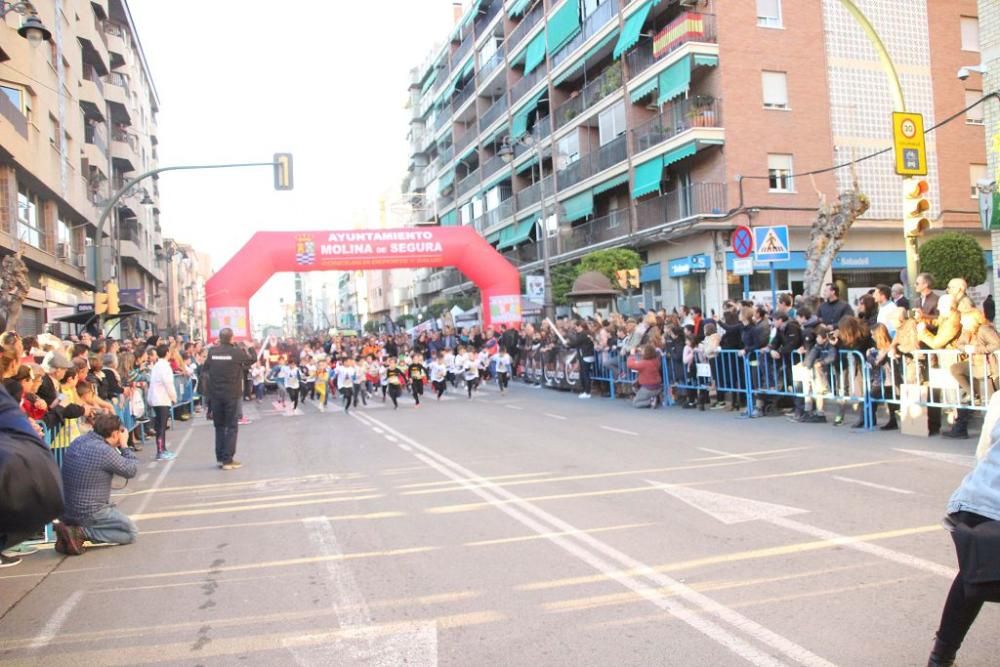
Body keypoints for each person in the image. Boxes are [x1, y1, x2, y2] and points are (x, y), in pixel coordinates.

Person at [927, 420, 1000, 666]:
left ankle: (941, 657)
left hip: (975, 497)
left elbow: (984, 447)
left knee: (973, 574)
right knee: (978, 572)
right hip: (990, 507)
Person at [54, 413, 138, 555]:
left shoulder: (78, 441)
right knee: (131, 533)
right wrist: (124, 445)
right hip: (91, 511)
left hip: (67, 510)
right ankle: (81, 532)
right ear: (115, 433)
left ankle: (72, 533)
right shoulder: (104, 451)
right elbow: (131, 470)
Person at [203, 328, 252, 470]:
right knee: (231, 427)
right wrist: (249, 347)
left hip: (216, 394)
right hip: (232, 394)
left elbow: (205, 369)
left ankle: (220, 458)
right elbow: (251, 359)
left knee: (219, 427)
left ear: (219, 338)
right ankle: (228, 460)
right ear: (232, 338)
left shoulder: (212, 352)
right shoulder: (236, 352)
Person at [146, 343, 177, 462]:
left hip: (157, 399)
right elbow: (168, 383)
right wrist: (173, 396)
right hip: (162, 399)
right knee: (161, 426)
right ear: (167, 352)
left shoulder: (157, 366)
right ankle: (160, 451)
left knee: (161, 426)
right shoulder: (164, 366)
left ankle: (163, 449)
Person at [568, 319, 595, 399]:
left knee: (585, 374)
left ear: (581, 326)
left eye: (577, 326)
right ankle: (585, 391)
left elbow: (575, 343)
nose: (576, 328)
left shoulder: (583, 334)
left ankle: (587, 392)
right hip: (588, 355)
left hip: (586, 356)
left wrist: (567, 344)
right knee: (584, 374)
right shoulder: (588, 333)